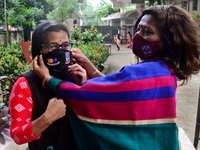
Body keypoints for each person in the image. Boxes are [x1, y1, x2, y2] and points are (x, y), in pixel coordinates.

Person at [33, 5, 200, 150]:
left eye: (148, 32)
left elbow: (86, 94)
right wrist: (90, 67)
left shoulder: (143, 74)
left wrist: (49, 79)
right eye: (138, 29)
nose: (138, 36)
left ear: (170, 40)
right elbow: (116, 88)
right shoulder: (165, 71)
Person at [9, 21, 87, 150]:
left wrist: (83, 87)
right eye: (53, 46)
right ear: (39, 49)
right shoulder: (25, 84)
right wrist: (46, 118)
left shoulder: (77, 74)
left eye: (65, 45)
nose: (60, 51)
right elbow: (17, 135)